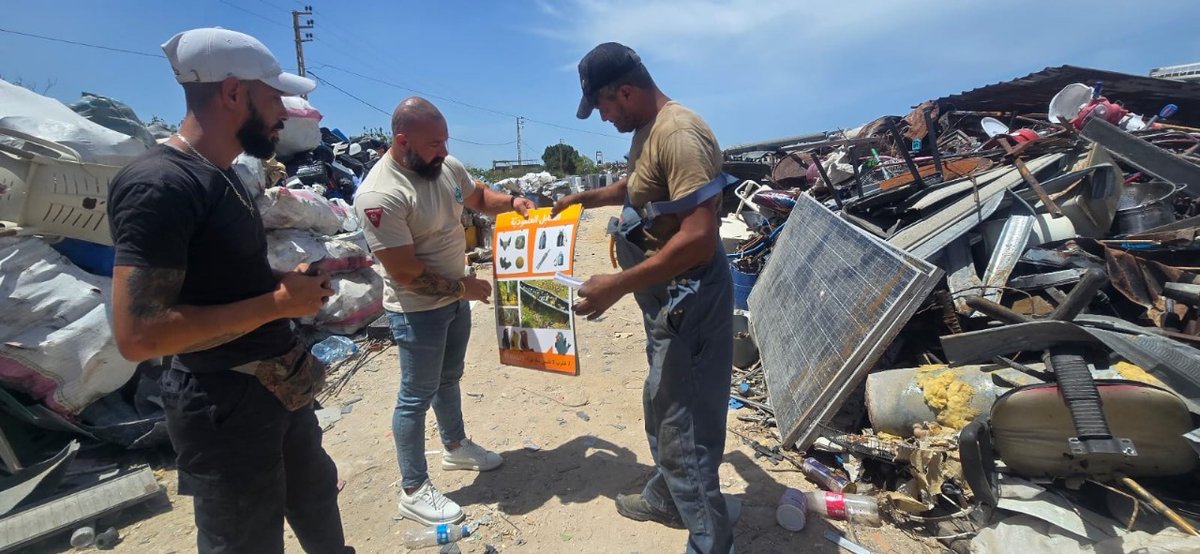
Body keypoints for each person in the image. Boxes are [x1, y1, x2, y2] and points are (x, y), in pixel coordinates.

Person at [107, 28, 351, 553]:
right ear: (234, 92)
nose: (285, 111)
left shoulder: (225, 177)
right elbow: (139, 335)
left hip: (276, 388)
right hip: (223, 409)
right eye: (273, 97)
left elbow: (223, 282)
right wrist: (277, 304)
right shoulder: (159, 186)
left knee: (316, 505)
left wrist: (289, 288)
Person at [554, 42, 735, 553]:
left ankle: (709, 543)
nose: (604, 117)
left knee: (686, 428)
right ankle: (666, 499)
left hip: (689, 297)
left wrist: (615, 285)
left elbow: (699, 237)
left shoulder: (679, 134)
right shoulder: (647, 132)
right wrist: (583, 198)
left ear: (625, 91)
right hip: (665, 300)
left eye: (605, 107)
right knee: (662, 405)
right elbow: (641, 187)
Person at [353, 97, 537, 525]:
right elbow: (403, 272)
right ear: (402, 141)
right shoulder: (380, 194)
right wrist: (466, 287)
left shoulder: (445, 166)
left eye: (445, 140)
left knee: (449, 378)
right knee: (414, 396)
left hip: (454, 300)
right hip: (418, 309)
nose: (444, 148)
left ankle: (455, 447)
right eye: (435, 143)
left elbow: (478, 197)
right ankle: (414, 489)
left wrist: (512, 202)